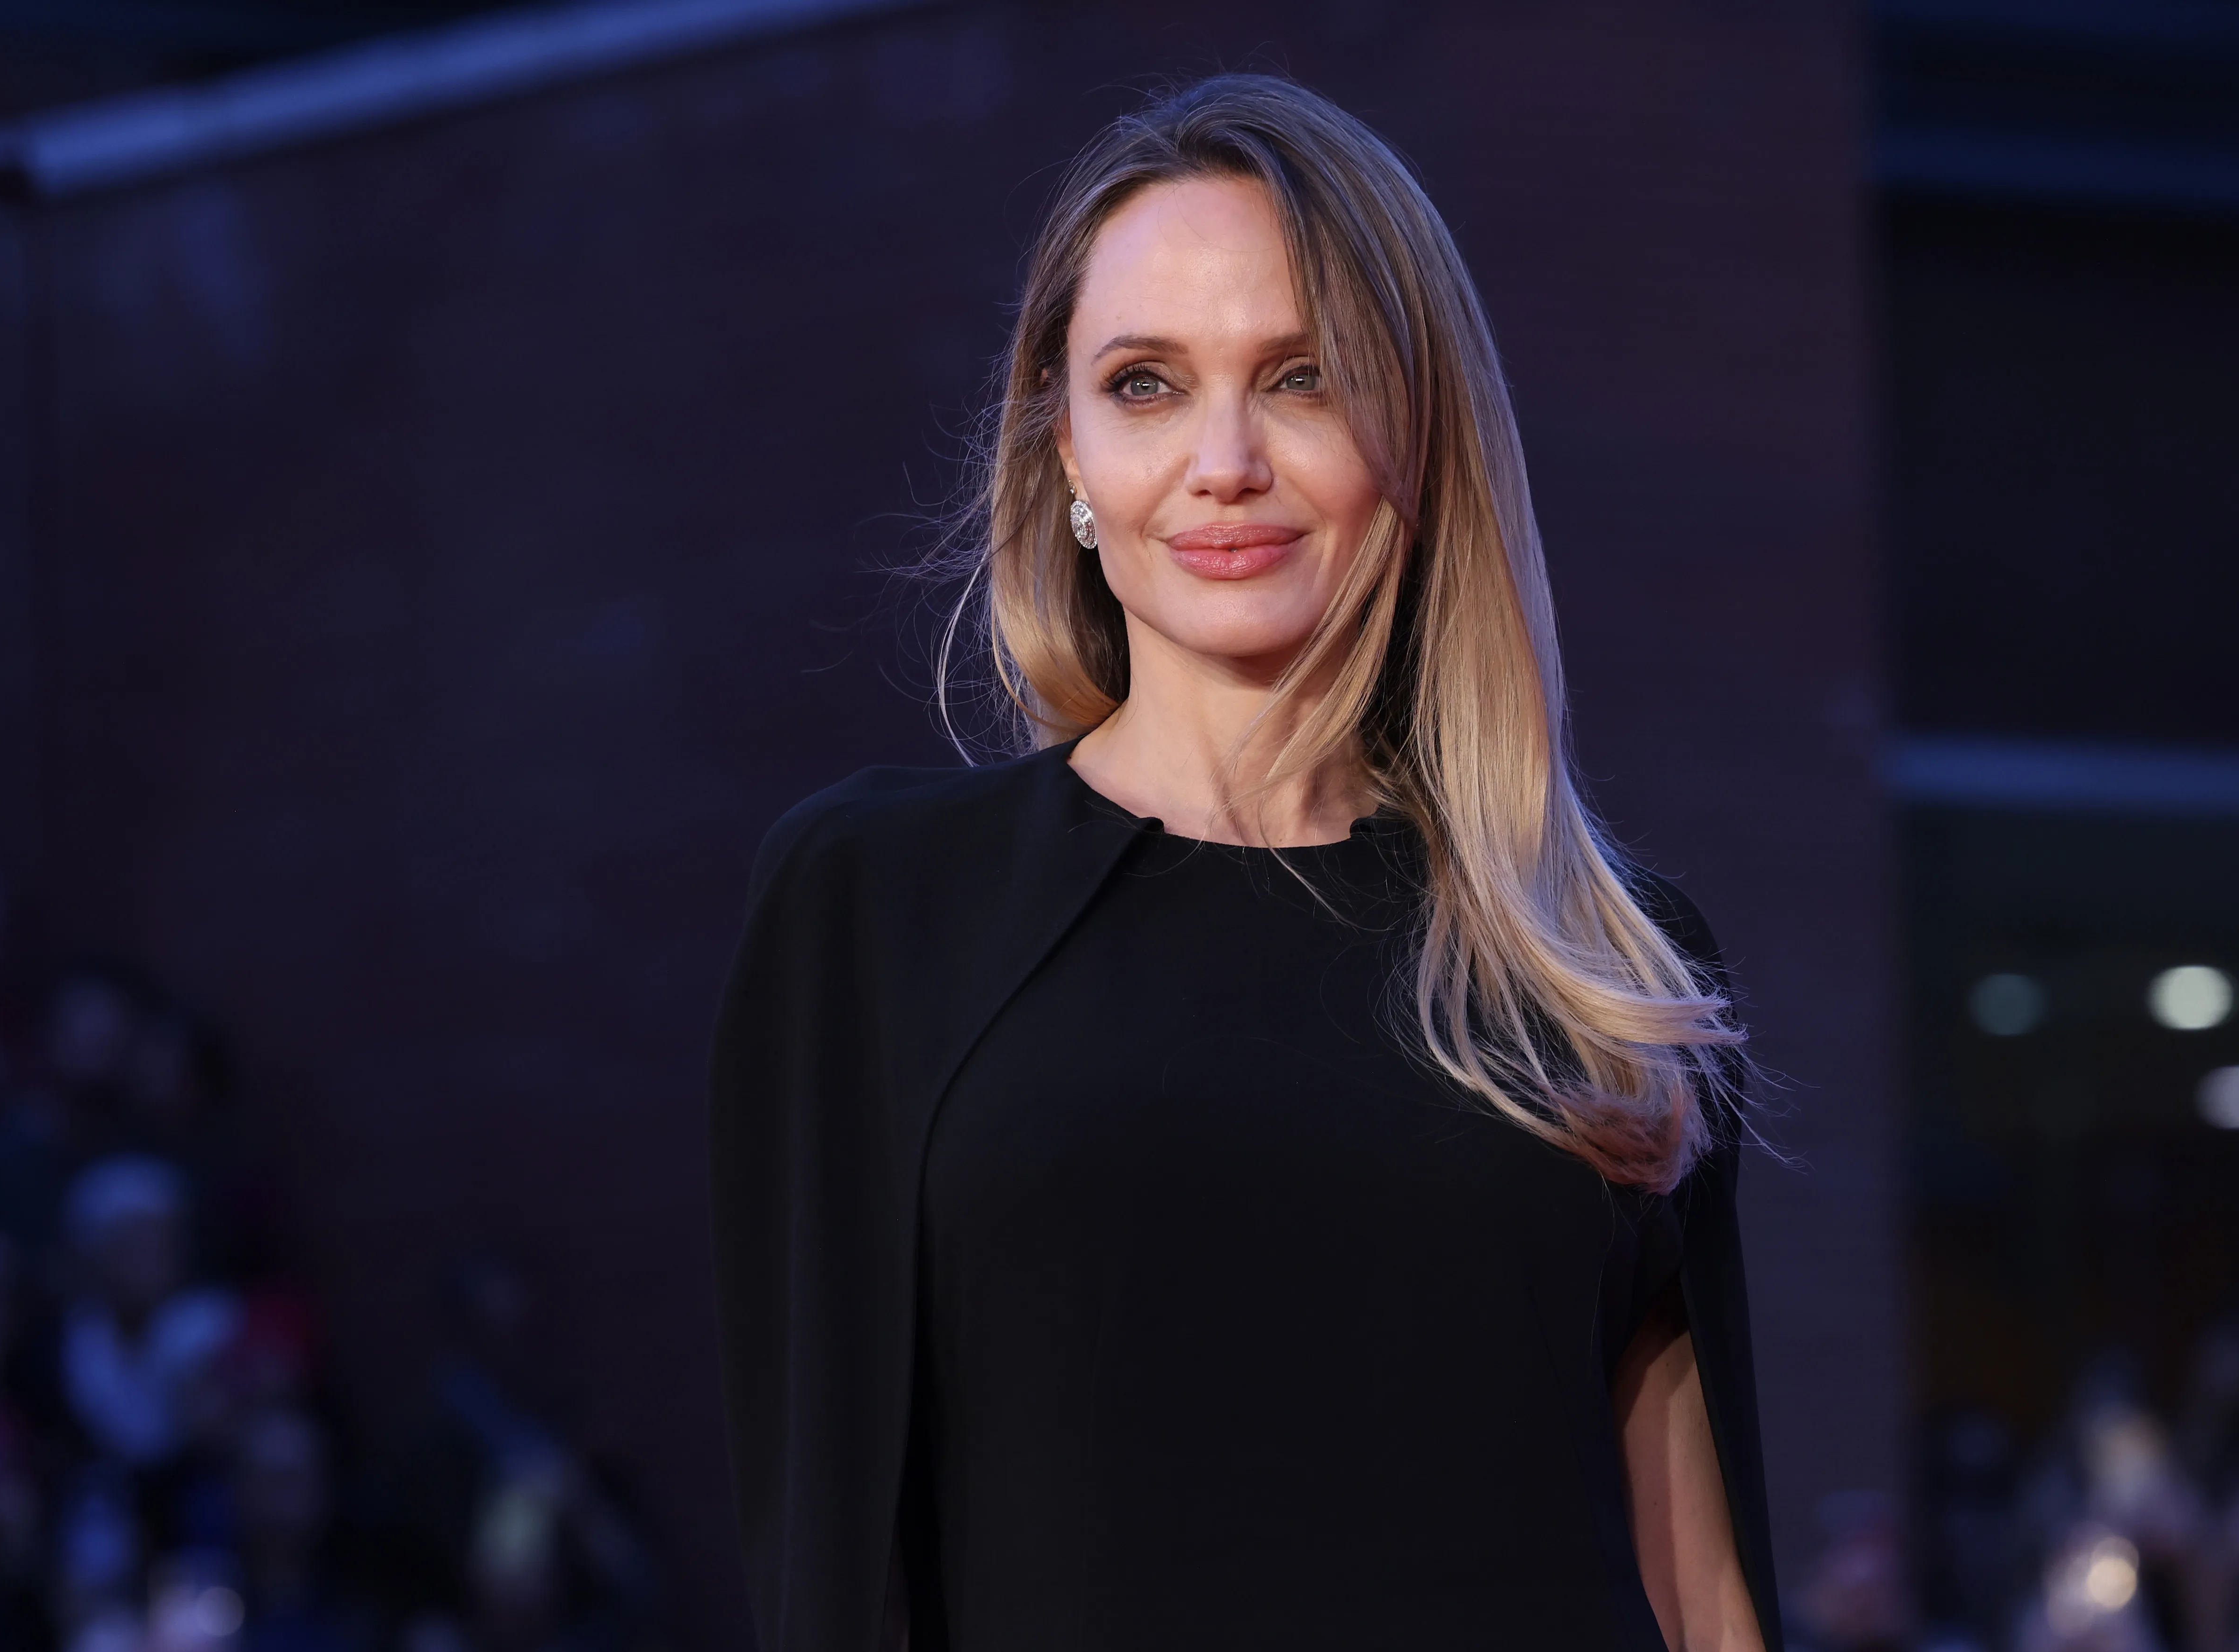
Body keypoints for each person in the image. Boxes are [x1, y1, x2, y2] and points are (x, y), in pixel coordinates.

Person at [710, 74, 1777, 1652]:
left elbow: (1700, 1597)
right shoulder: (874, 906)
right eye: (1144, 384)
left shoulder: (1596, 964)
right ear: (1064, 451)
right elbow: (823, 1548)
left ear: (1418, 431)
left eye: (1303, 377)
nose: (1223, 461)